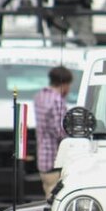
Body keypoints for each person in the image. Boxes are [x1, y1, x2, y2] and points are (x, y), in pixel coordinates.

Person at [33, 66, 73, 199]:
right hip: (55, 159)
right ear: (65, 84)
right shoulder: (57, 101)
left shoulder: (40, 96)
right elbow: (60, 132)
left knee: (48, 194)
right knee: (56, 200)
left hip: (43, 159)